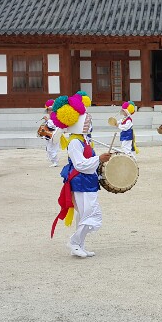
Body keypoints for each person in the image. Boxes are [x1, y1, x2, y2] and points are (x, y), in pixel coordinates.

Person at [48, 93, 110, 258]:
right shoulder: (75, 142)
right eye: (86, 121)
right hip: (80, 181)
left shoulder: (84, 140)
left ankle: (79, 245)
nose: (89, 124)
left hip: (88, 180)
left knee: (86, 214)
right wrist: (99, 158)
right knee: (91, 214)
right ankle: (74, 242)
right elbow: (80, 165)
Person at [42, 99, 61, 167]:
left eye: (51, 109)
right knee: (49, 148)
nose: (50, 111)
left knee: (53, 148)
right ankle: (54, 161)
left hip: (54, 134)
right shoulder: (51, 117)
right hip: (49, 134)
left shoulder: (57, 116)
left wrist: (48, 120)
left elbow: (54, 125)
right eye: (48, 110)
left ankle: (55, 161)